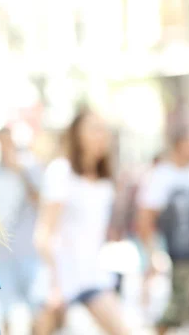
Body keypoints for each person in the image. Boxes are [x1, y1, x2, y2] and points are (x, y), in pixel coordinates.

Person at [33, 109, 129, 335]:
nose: (101, 135)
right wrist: (54, 285)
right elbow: (44, 233)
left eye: (103, 129)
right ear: (77, 135)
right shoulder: (61, 172)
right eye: (94, 129)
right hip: (60, 275)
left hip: (91, 274)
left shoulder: (105, 181)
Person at [137, 129, 189, 335]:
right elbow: (146, 217)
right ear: (179, 146)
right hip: (180, 251)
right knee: (180, 305)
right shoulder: (163, 177)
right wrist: (152, 253)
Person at [0, 126, 41, 334]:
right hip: (2, 251)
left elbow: (41, 201)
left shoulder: (29, 168)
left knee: (36, 308)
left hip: (27, 249)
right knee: (5, 309)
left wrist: (21, 172)